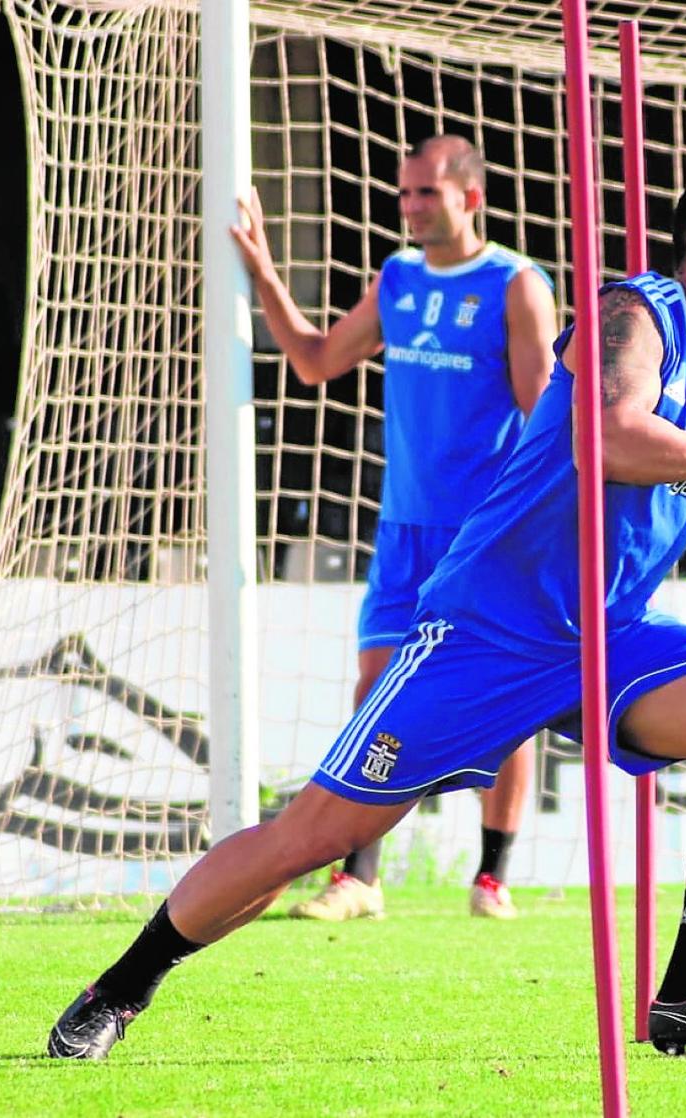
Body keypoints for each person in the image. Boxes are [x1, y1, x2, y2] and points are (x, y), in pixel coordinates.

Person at [47, 162, 686, 1061]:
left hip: (609, 630)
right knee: (320, 835)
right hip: (485, 629)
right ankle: (120, 988)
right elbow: (610, 439)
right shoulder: (633, 315)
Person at [230, 135, 558, 921]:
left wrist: (537, 529)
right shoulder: (398, 280)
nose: (410, 207)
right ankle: (360, 877)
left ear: (469, 199)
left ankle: (491, 877)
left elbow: (546, 417)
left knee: (501, 703)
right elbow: (314, 362)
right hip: (403, 531)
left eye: (426, 195)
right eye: (405, 194)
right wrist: (266, 275)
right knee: (376, 691)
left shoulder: (515, 286)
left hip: (483, 536)